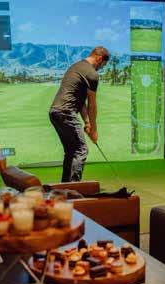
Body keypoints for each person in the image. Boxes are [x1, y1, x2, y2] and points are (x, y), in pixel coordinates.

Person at [49, 46, 110, 182]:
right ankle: (74, 187)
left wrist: (87, 122)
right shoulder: (92, 74)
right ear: (99, 58)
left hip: (55, 112)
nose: (101, 68)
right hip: (66, 113)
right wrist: (94, 131)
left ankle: (65, 187)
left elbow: (80, 101)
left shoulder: (76, 67)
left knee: (71, 151)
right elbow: (92, 105)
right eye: (103, 65)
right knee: (81, 150)